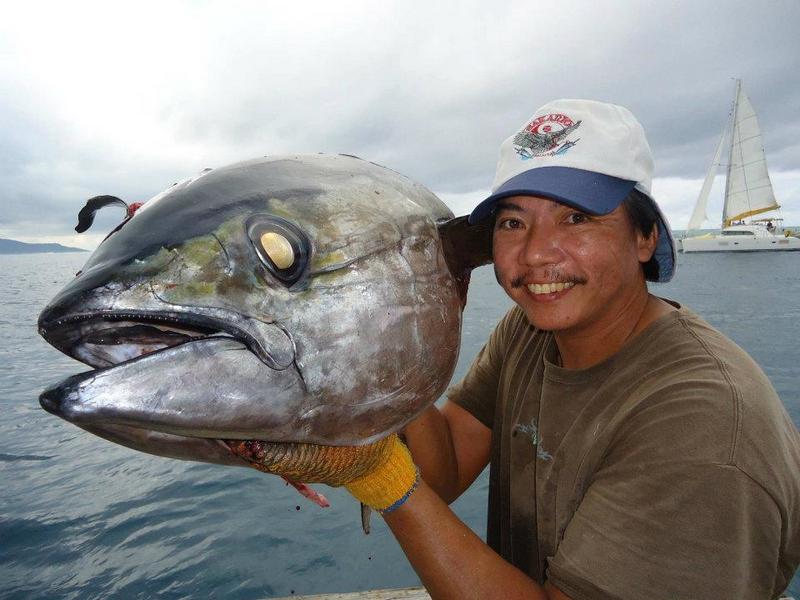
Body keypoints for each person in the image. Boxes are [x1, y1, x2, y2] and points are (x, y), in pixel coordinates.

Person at [265, 99, 800, 599]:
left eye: (577, 218)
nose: (536, 252)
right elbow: (445, 470)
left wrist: (381, 476)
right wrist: (385, 370)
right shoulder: (530, 333)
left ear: (646, 239)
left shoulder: (702, 423)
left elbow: (413, 484)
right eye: (513, 223)